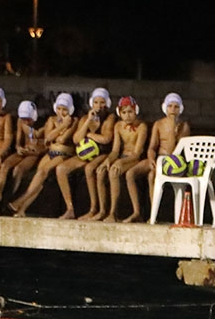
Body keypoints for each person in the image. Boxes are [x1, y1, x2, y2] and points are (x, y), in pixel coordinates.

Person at [123, 92, 192, 223]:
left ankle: (154, 214)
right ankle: (136, 212)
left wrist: (174, 131)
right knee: (130, 173)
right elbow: (152, 147)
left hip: (173, 161)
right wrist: (151, 159)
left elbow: (179, 150)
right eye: (170, 106)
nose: (172, 109)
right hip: (158, 158)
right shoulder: (158, 124)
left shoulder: (184, 126)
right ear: (165, 107)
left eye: (176, 107)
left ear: (180, 109)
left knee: (152, 176)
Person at [8, 92, 79, 217]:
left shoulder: (74, 121)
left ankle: (20, 201)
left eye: (64, 109)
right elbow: (48, 138)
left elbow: (63, 139)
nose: (61, 112)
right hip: (51, 153)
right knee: (39, 177)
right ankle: (22, 209)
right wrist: (63, 126)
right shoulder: (52, 120)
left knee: (44, 171)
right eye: (59, 109)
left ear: (70, 110)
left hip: (64, 154)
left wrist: (57, 134)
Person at [55, 88, 115, 220]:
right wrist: (88, 121)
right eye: (96, 102)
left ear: (107, 104)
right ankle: (70, 208)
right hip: (85, 154)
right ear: (91, 103)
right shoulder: (84, 118)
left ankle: (94, 209)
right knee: (61, 169)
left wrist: (88, 135)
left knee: (89, 169)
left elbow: (106, 139)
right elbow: (77, 139)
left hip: (102, 153)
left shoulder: (110, 118)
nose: (99, 106)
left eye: (102, 102)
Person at [94, 96, 149, 222]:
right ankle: (102, 210)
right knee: (100, 171)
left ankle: (113, 212)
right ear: (119, 113)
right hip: (122, 158)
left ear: (136, 111)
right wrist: (107, 161)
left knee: (113, 172)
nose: (127, 115)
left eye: (130, 112)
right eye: (124, 112)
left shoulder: (142, 127)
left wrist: (120, 162)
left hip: (134, 159)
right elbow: (115, 151)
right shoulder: (118, 126)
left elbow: (137, 154)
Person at [0, 100, 47, 200]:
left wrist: (39, 150)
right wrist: (19, 148)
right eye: (24, 119)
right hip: (25, 150)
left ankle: (11, 198)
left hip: (35, 154)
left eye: (28, 120)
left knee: (18, 169)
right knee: (4, 166)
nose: (26, 122)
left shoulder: (44, 124)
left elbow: (49, 145)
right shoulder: (20, 122)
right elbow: (18, 142)